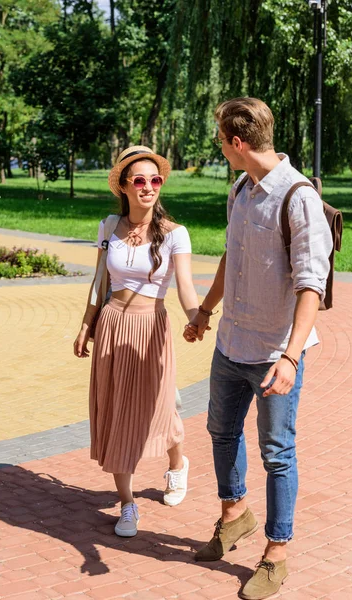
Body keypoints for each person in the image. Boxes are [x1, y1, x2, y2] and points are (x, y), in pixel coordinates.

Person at [184, 98, 333, 600]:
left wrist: (291, 357)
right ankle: (234, 515)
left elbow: (312, 283)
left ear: (237, 143)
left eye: (220, 142)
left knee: (277, 453)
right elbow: (233, 252)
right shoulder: (240, 190)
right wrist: (206, 311)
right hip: (231, 342)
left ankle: (276, 553)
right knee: (220, 432)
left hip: (274, 353)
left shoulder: (298, 197)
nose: (221, 150)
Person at [74, 145, 199, 538]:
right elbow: (99, 282)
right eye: (140, 181)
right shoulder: (108, 226)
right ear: (124, 187)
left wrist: (198, 316)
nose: (149, 187)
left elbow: (186, 288)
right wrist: (86, 325)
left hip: (150, 329)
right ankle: (127, 505)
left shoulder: (175, 234)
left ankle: (177, 465)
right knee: (114, 411)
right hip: (112, 325)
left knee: (160, 409)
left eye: (155, 180)